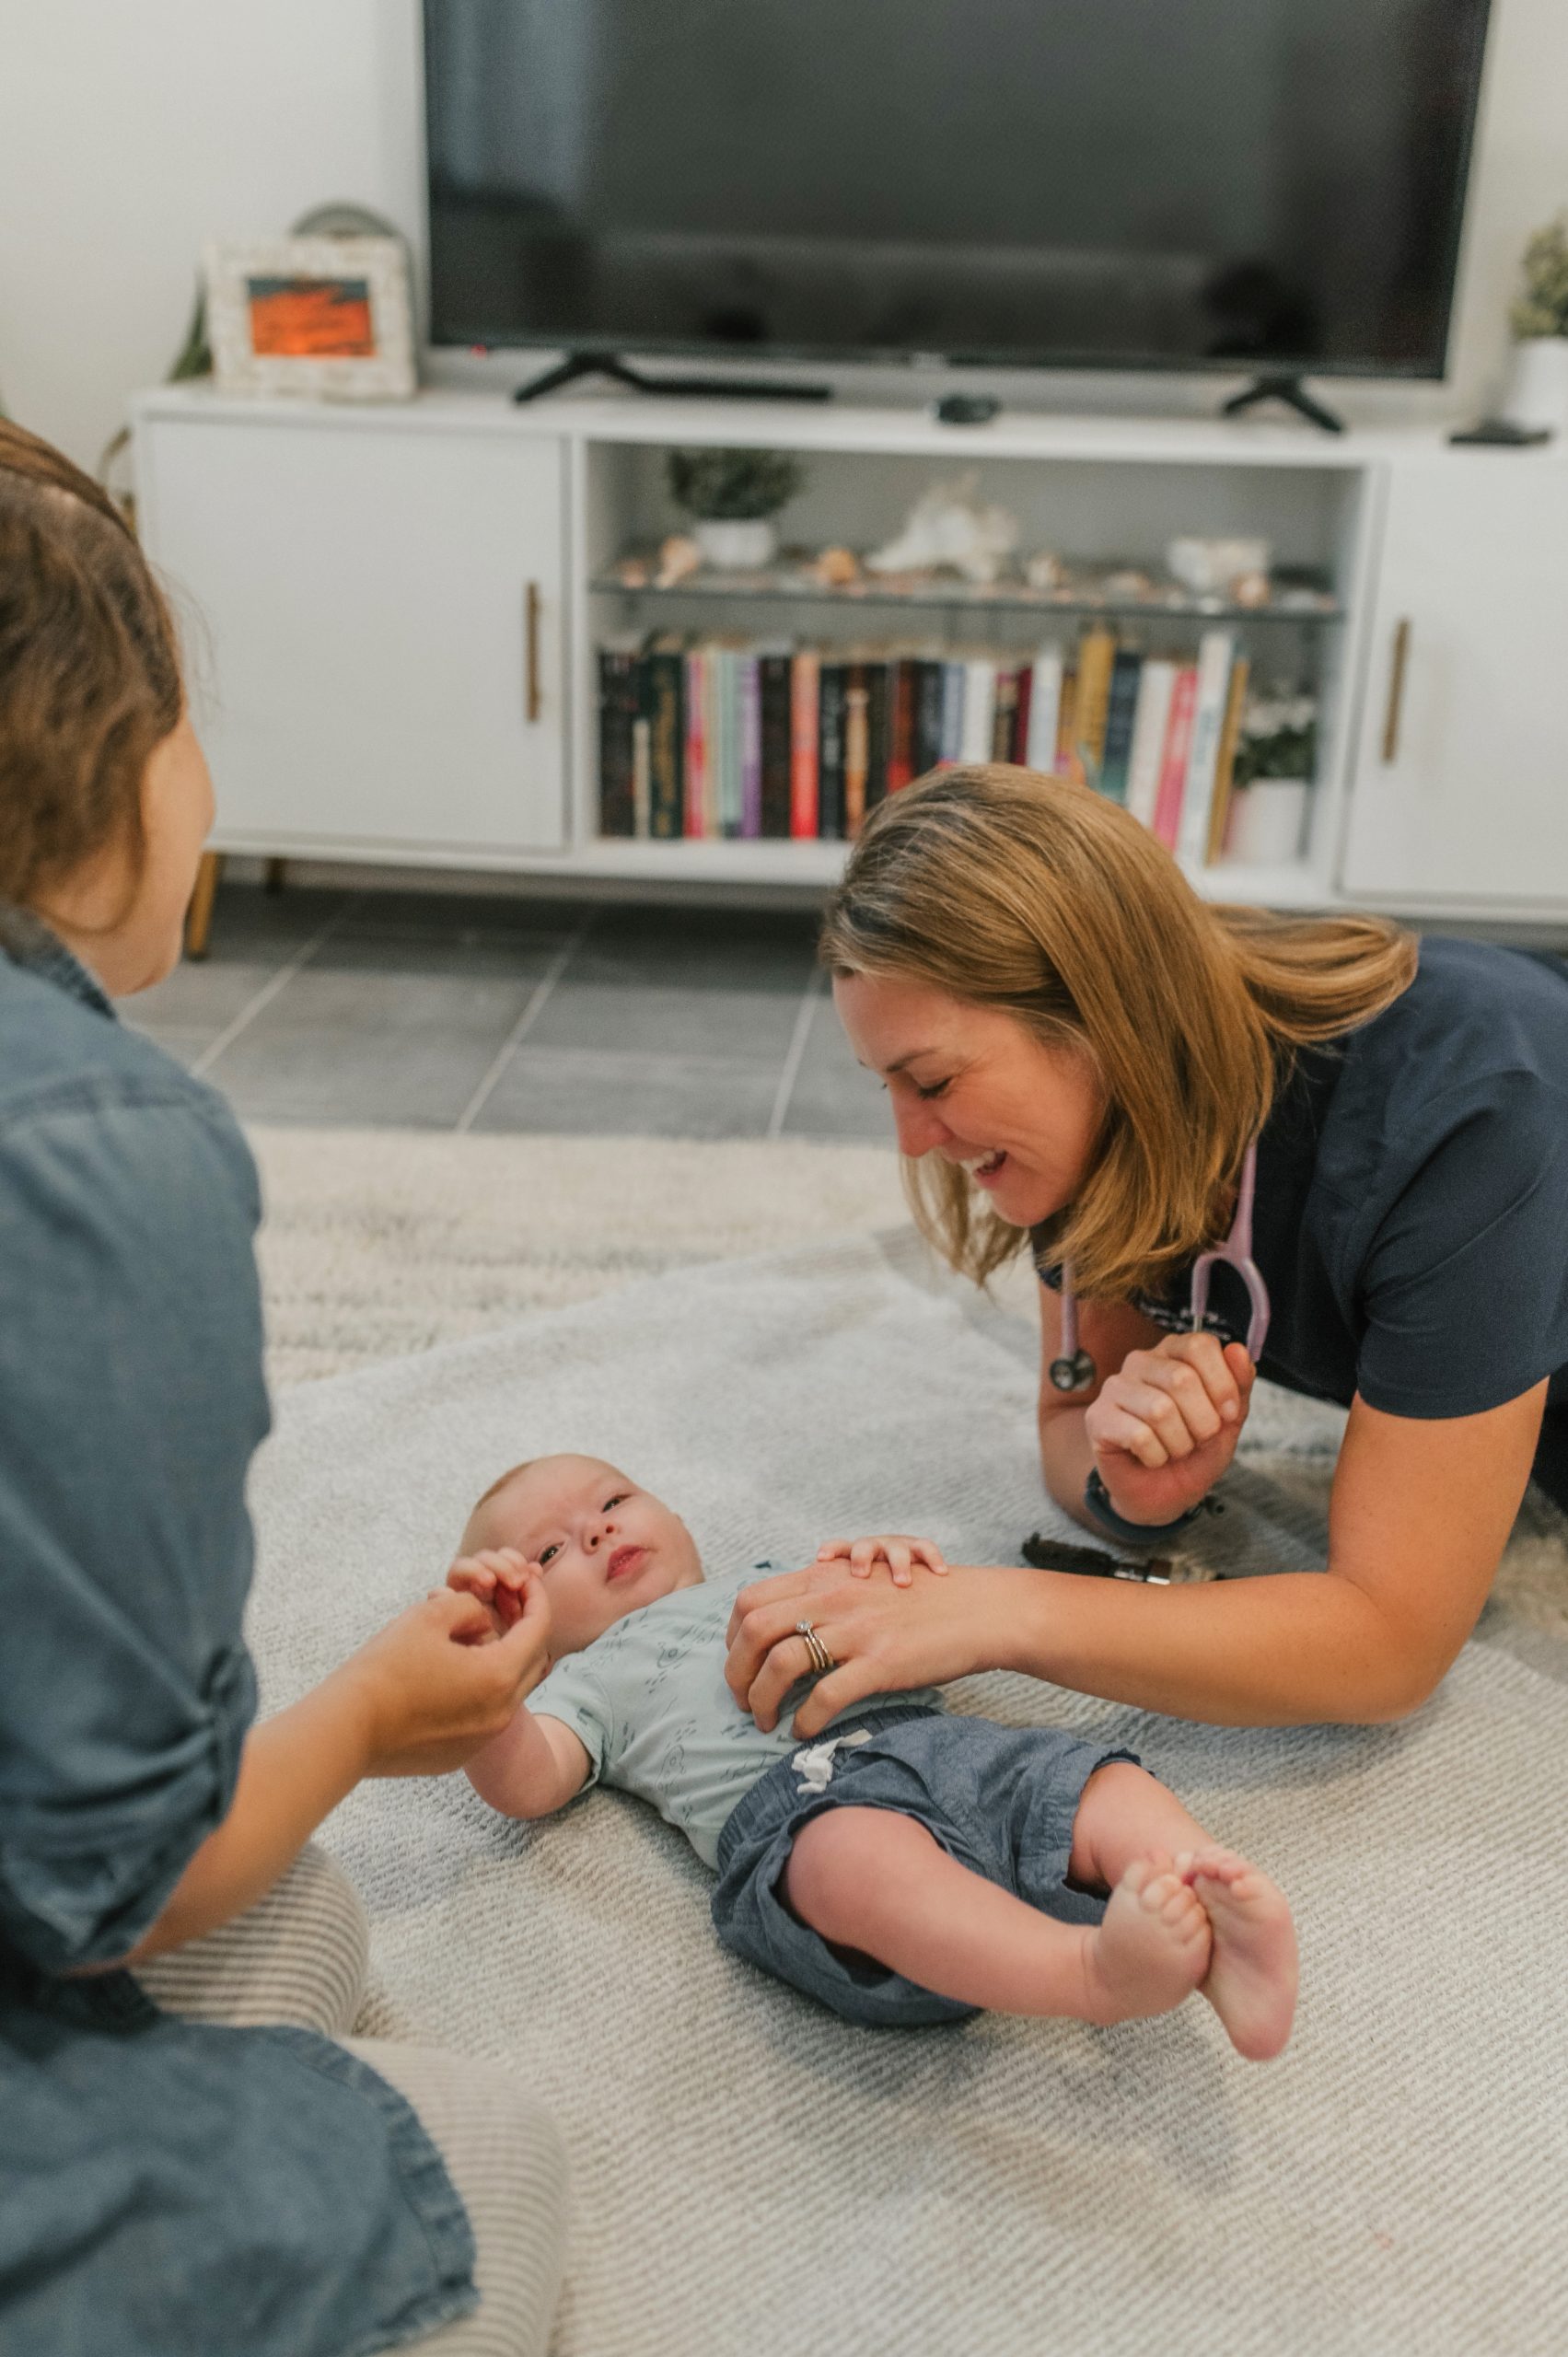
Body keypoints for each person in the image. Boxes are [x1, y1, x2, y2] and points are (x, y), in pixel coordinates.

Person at [0, 421, 564, 2357]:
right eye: (186, 716)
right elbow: (107, 1885)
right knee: (480, 2163)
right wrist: (369, 1708)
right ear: (91, 761)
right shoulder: (85, 1142)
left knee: (302, 1909)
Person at [723, 762, 1568, 1739]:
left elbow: (1386, 1646)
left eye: (937, 1082)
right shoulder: (1095, 1122)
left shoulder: (1469, 1117)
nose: (912, 1142)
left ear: (1103, 1023)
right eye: (889, 1088)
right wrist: (1126, 1487)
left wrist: (986, 1611)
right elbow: (1072, 1413)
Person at [449, 1453, 1298, 2057]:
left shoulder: (772, 1572)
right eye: (550, 1552)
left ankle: (1211, 1918)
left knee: (1088, 1779)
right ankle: (1088, 1975)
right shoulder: (582, 1682)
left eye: (614, 1499)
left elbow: (915, 1612)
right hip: (804, 1807)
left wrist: (895, 1565)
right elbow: (526, 1783)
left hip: (941, 1741)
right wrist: (484, 1695)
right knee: (849, 1865)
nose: (596, 1533)